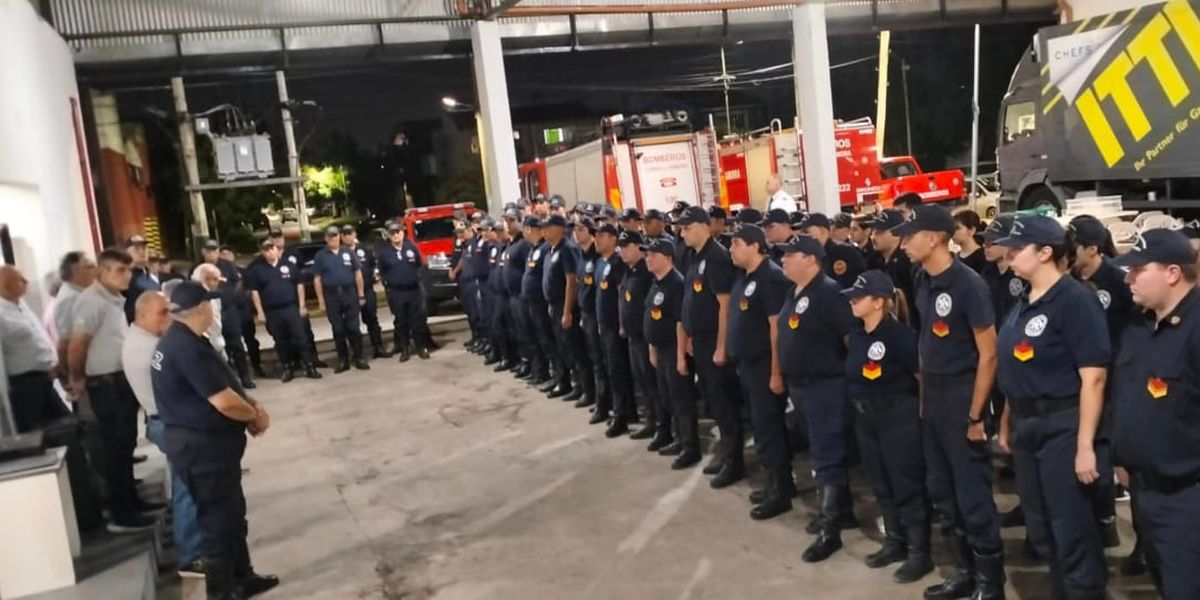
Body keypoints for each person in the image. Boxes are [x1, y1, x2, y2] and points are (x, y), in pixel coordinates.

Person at [889, 204, 1005, 600]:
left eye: (910, 236)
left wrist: (976, 415)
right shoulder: (922, 278)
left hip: (962, 395)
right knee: (943, 490)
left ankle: (991, 583)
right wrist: (924, 399)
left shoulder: (969, 284)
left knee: (972, 492)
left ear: (935, 237)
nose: (903, 244)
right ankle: (964, 571)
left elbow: (988, 354)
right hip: (935, 397)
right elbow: (925, 341)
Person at [990, 216, 1109, 599]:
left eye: (1016, 248)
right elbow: (1014, 367)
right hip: (1028, 424)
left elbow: (1093, 377)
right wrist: (1007, 421)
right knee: (1041, 528)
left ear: (1045, 253)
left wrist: (1086, 445)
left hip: (1062, 424)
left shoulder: (1075, 300)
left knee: (1070, 528)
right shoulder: (1023, 300)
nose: (1008, 254)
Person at [151, 281, 278, 600]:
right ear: (203, 308)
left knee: (231, 515)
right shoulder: (186, 347)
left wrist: (249, 405)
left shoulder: (183, 340)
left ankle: (242, 577)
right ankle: (222, 593)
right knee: (218, 523)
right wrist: (252, 415)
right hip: (202, 450)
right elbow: (222, 401)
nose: (214, 310)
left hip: (207, 447)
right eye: (211, 304)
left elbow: (226, 383)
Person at [1109, 229, 1200, 600]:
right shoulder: (1138, 326)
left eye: (1138, 270)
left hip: (1186, 496)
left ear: (1172, 273)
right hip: (1145, 493)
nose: (1128, 278)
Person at [842, 270, 934, 583]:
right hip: (866, 419)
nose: (852, 301)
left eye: (859, 297)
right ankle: (896, 540)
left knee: (906, 484)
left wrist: (920, 418)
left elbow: (922, 379)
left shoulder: (900, 336)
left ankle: (920, 552)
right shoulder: (857, 333)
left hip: (897, 418)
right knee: (880, 483)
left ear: (879, 302)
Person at [68, 248, 162, 532]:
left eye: (129, 270)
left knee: (126, 443)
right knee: (115, 447)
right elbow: (77, 345)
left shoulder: (112, 299)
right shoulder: (91, 302)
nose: (127, 276)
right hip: (105, 383)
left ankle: (131, 502)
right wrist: (76, 378)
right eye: (119, 271)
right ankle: (122, 512)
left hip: (120, 381)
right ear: (102, 272)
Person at [777, 235, 859, 560]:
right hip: (803, 386)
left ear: (810, 259)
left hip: (826, 386)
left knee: (827, 456)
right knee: (822, 450)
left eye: (789, 255)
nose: (783, 260)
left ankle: (830, 529)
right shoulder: (795, 291)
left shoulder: (829, 292)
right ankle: (844, 510)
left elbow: (851, 338)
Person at [121, 291, 204, 576]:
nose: (168, 318)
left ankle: (192, 545)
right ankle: (191, 555)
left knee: (185, 485)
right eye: (162, 313)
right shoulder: (149, 349)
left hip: (163, 420)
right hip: (168, 422)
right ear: (142, 314)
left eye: (169, 311)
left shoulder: (142, 339)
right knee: (187, 489)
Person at [1068, 215, 1133, 551]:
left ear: (1092, 249)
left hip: (1114, 381)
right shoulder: (1073, 281)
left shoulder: (1119, 282)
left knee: (1105, 453)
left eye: (1074, 245)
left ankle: (1108, 520)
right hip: (1082, 380)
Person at [727, 225, 792, 520]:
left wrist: (776, 372)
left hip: (765, 366)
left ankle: (780, 490)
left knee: (769, 428)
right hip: (748, 365)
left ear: (755, 246)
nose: (731, 249)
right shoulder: (746, 277)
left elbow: (776, 328)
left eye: (737, 243)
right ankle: (774, 482)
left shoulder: (770, 277)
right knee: (761, 427)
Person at [677, 206, 741, 477]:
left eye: (688, 228)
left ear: (704, 226)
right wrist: (690, 334)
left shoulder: (716, 257)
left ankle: (734, 461)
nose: (683, 233)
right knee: (714, 401)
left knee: (724, 402)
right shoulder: (694, 257)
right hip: (700, 340)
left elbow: (724, 304)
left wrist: (721, 346)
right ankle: (726, 452)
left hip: (715, 340)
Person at [643, 238, 697, 465]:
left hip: (674, 348)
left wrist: (680, 357)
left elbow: (680, 322)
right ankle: (678, 438)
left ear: (667, 258)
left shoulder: (676, 283)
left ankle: (690, 447)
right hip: (661, 349)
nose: (648, 258)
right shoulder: (656, 282)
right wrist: (652, 348)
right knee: (669, 397)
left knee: (681, 399)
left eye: (653, 255)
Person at [0, 265, 70, 432]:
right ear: (5, 285)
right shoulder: (2, 313)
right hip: (24, 384)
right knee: (36, 432)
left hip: (44, 379)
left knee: (66, 425)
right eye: (20, 279)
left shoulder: (21, 305)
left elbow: (38, 340)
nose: (26, 282)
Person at [245, 239, 322, 382]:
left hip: (291, 308)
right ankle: (287, 368)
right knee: (281, 341)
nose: (269, 252)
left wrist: (302, 306)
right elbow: (255, 292)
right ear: (262, 252)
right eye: (265, 250)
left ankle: (309, 366)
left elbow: (299, 286)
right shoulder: (257, 270)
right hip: (272, 311)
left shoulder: (289, 265)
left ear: (277, 249)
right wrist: (260, 312)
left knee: (301, 339)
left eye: (271, 248)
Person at [542, 215, 593, 405]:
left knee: (576, 350)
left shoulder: (567, 249)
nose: (544, 231)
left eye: (548, 227)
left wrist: (567, 311)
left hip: (566, 305)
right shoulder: (552, 249)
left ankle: (587, 390)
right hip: (555, 305)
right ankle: (576, 384)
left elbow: (571, 281)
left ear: (559, 229)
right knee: (566, 348)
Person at [618, 230, 663, 442]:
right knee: (642, 382)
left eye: (626, 246)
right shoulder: (630, 270)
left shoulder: (646, 272)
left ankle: (662, 426)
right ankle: (651, 421)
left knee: (652, 383)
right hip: (633, 336)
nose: (622, 251)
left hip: (646, 337)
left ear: (638, 246)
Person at [594, 223, 634, 436]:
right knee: (611, 368)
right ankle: (622, 410)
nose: (597, 239)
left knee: (619, 370)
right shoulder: (601, 262)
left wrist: (621, 324)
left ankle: (622, 415)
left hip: (615, 326)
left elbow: (621, 294)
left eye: (601, 235)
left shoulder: (618, 263)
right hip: (604, 325)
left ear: (612, 239)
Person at [312, 226, 370, 372]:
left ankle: (359, 357)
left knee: (353, 328)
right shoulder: (320, 256)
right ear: (326, 238)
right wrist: (321, 301)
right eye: (330, 236)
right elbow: (317, 279)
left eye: (335, 235)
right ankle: (343, 360)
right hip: (332, 296)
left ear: (339, 237)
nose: (333, 238)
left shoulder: (348, 252)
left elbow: (358, 273)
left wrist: (361, 294)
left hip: (349, 293)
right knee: (338, 330)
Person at [201, 240, 254, 389]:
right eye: (208, 250)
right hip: (210, 311)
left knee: (236, 344)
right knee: (215, 347)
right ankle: (225, 381)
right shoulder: (199, 267)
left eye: (214, 250)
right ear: (203, 252)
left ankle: (245, 378)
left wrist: (230, 296)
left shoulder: (227, 265)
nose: (212, 253)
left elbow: (237, 282)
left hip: (228, 310)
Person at [574, 217, 610, 420]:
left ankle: (604, 405)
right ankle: (600, 400)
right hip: (587, 314)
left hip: (598, 316)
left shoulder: (598, 258)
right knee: (595, 359)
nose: (576, 233)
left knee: (602, 362)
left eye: (581, 229)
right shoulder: (582, 257)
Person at [522, 218, 563, 393]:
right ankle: (554, 376)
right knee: (543, 340)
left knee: (552, 341)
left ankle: (561, 378)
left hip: (544, 302)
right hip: (534, 302)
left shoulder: (546, 248)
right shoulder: (536, 249)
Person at [341, 225, 391, 359]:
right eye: (344, 234)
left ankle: (378, 347)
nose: (347, 236)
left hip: (368, 290)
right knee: (352, 324)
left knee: (372, 320)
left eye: (349, 233)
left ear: (354, 234)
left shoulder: (364, 249)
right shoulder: (340, 252)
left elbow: (373, 265)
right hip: (350, 293)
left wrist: (375, 275)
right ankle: (357, 353)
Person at [868, 210, 920, 327]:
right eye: (873, 232)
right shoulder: (874, 260)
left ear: (896, 233)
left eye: (879, 232)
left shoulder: (908, 262)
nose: (873, 237)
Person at [221, 247, 265, 379]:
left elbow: (251, 289)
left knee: (250, 340)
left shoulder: (242, 271)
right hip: (229, 311)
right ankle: (237, 370)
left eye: (229, 253)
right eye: (223, 254)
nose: (227, 256)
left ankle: (257, 366)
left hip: (244, 310)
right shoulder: (219, 273)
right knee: (232, 343)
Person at [501, 212, 535, 379]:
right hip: (512, 296)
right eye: (506, 221)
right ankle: (526, 362)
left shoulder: (523, 244)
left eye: (511, 220)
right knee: (519, 332)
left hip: (521, 296)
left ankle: (536, 368)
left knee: (528, 333)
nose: (508, 224)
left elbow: (527, 271)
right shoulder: (511, 243)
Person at [803, 213, 867, 289]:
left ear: (822, 230)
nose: (803, 236)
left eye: (807, 232)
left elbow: (848, 283)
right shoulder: (811, 255)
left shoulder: (842, 251)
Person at [123, 234, 161, 323]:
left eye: (144, 248)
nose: (141, 252)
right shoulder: (124, 277)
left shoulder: (152, 275)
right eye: (136, 248)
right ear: (127, 251)